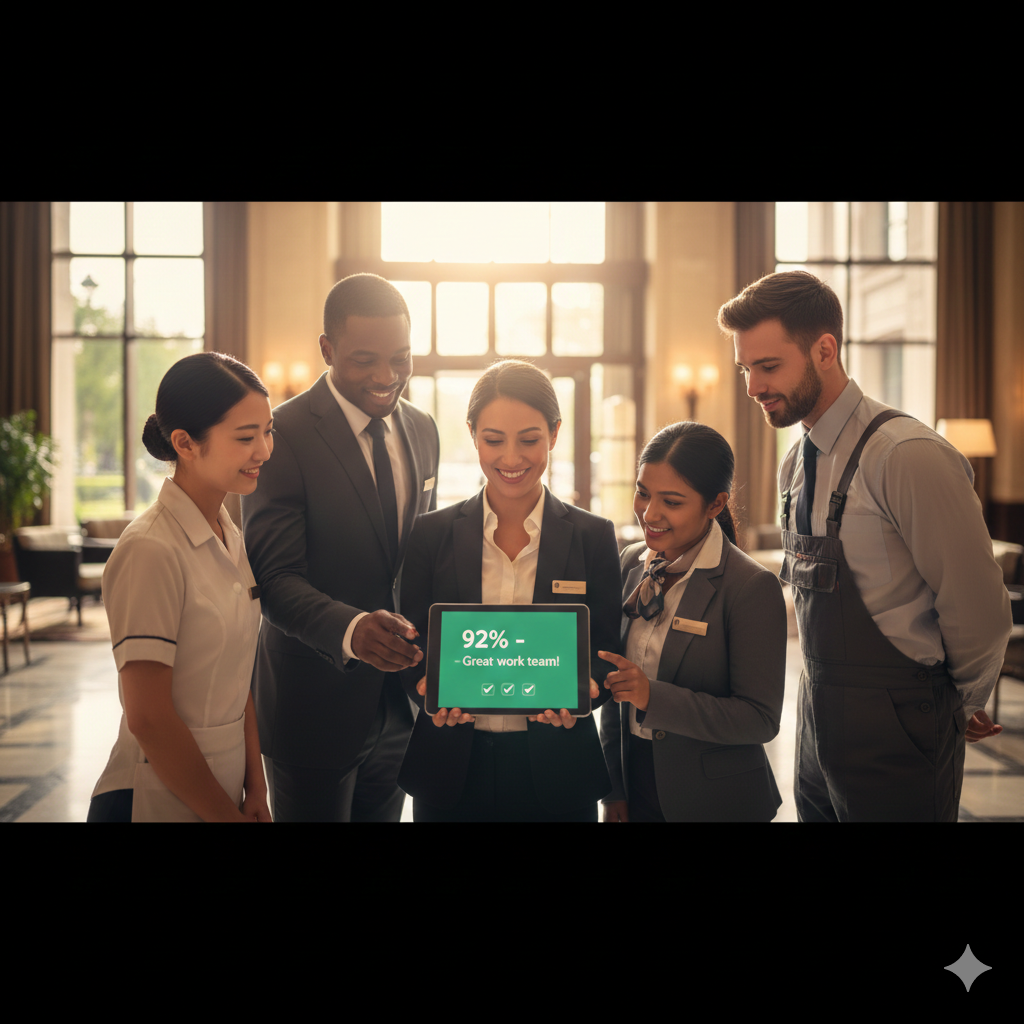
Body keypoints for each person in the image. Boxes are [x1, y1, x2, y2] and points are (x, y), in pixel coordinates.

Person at [722, 269, 1013, 822]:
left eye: (768, 365)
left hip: (902, 724)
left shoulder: (906, 456)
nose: (752, 386)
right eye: (745, 368)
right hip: (816, 714)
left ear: (825, 349)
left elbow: (979, 609)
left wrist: (959, 704)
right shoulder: (794, 465)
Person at [241, 273, 439, 822]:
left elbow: (418, 559)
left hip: (403, 702)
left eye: (401, 358)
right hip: (312, 706)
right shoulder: (280, 436)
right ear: (326, 349)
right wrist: (352, 631)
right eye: (365, 360)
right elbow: (274, 579)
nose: (387, 376)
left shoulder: (423, 429)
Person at [396, 360, 621, 821]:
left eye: (530, 440)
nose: (512, 459)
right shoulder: (430, 533)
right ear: (474, 435)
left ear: (555, 434)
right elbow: (413, 641)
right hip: (451, 763)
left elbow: (603, 648)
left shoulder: (593, 535)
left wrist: (583, 697)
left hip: (557, 764)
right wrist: (426, 692)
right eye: (494, 440)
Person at [87, 352, 274, 822]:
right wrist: (223, 815)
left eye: (268, 431)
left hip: (224, 788)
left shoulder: (228, 534)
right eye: (246, 437)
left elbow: (239, 677)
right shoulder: (150, 549)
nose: (265, 451)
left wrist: (257, 787)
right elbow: (148, 717)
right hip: (153, 796)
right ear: (185, 444)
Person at [598, 422, 787, 822]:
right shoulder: (631, 563)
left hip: (716, 799)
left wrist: (653, 696)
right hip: (637, 787)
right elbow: (616, 689)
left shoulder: (750, 586)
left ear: (716, 505)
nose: (650, 513)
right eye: (643, 493)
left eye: (672, 501)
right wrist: (613, 789)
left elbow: (760, 719)